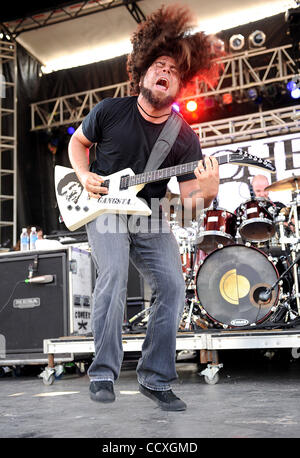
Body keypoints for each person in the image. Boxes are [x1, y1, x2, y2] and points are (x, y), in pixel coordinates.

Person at [68, 5, 219, 412]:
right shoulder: (110, 111)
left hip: (150, 214)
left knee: (172, 284)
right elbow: (77, 144)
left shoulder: (184, 136)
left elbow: (189, 204)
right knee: (113, 273)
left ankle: (156, 379)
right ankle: (102, 372)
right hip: (104, 208)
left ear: (178, 86)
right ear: (142, 70)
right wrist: (84, 176)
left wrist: (207, 190)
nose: (165, 71)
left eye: (173, 69)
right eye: (159, 64)